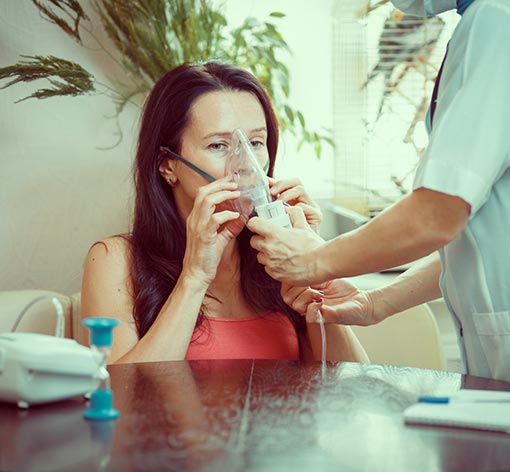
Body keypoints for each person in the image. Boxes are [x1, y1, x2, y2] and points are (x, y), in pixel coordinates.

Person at [247, 0, 510, 404]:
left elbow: (436, 216)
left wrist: (315, 260)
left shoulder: (501, 19)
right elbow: (480, 236)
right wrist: (375, 301)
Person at [81, 61, 368, 364]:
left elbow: (351, 388)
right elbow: (118, 399)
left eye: (256, 142)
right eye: (219, 145)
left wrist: (313, 267)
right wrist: (194, 277)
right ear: (167, 164)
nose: (245, 164)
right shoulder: (115, 261)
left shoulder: (275, 262)